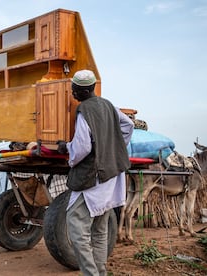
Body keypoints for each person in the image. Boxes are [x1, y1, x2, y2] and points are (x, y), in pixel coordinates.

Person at [58, 70, 134, 275]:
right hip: (112, 175)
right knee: (99, 230)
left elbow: (82, 148)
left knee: (76, 226)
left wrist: (67, 149)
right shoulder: (108, 105)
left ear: (81, 91)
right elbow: (129, 124)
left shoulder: (84, 110)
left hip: (94, 178)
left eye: (74, 89)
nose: (72, 93)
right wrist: (114, 148)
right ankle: (100, 272)